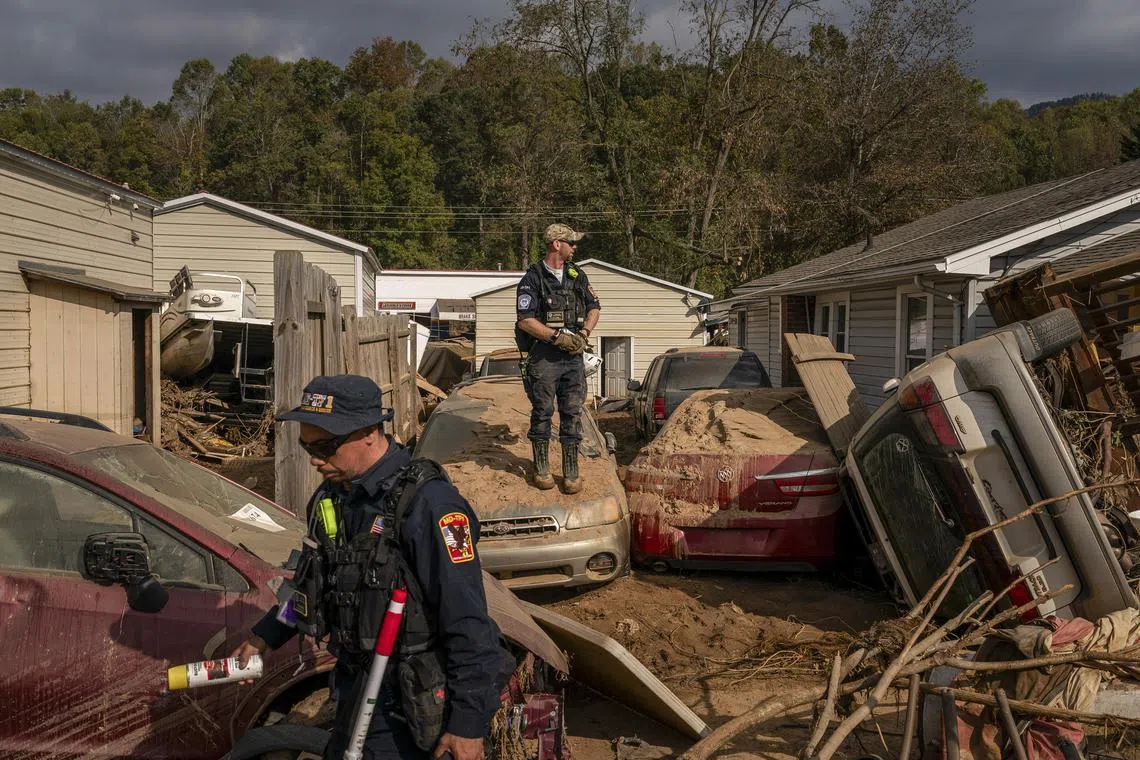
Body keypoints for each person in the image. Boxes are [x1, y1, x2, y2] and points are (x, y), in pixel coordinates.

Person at [231, 375, 512, 760]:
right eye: (306, 446)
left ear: (368, 433)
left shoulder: (430, 505)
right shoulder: (333, 497)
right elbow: (310, 586)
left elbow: (468, 622)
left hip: (409, 700)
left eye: (326, 446)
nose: (315, 459)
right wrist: (265, 635)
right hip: (352, 686)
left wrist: (467, 723)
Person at [514, 223, 601, 494]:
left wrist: (584, 333)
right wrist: (555, 337)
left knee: (572, 412)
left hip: (573, 357)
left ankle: (571, 472)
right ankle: (541, 469)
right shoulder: (533, 278)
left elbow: (594, 307)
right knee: (542, 412)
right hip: (544, 358)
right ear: (556, 244)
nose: (575, 247)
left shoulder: (577, 276)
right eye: (571, 243)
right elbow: (525, 321)